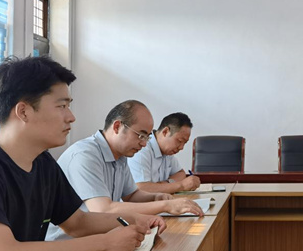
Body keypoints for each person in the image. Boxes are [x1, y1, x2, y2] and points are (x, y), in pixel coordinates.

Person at [0, 56, 165, 251]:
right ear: (24, 111)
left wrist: (135, 220)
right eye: (62, 106)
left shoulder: (43, 163)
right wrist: (104, 243)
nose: (71, 117)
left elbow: (77, 223)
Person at [46, 100, 204, 241]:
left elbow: (131, 195)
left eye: (147, 137)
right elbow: (103, 209)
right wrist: (165, 206)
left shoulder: (120, 156)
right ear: (117, 127)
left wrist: (156, 197)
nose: (144, 144)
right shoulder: (85, 155)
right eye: (141, 135)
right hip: (68, 244)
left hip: (101, 238)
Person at [128, 112, 201, 194]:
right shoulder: (142, 150)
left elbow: (180, 174)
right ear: (165, 132)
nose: (181, 147)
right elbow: (141, 188)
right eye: (180, 141)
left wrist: (167, 183)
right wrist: (181, 185)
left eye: (185, 143)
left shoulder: (167, 152)